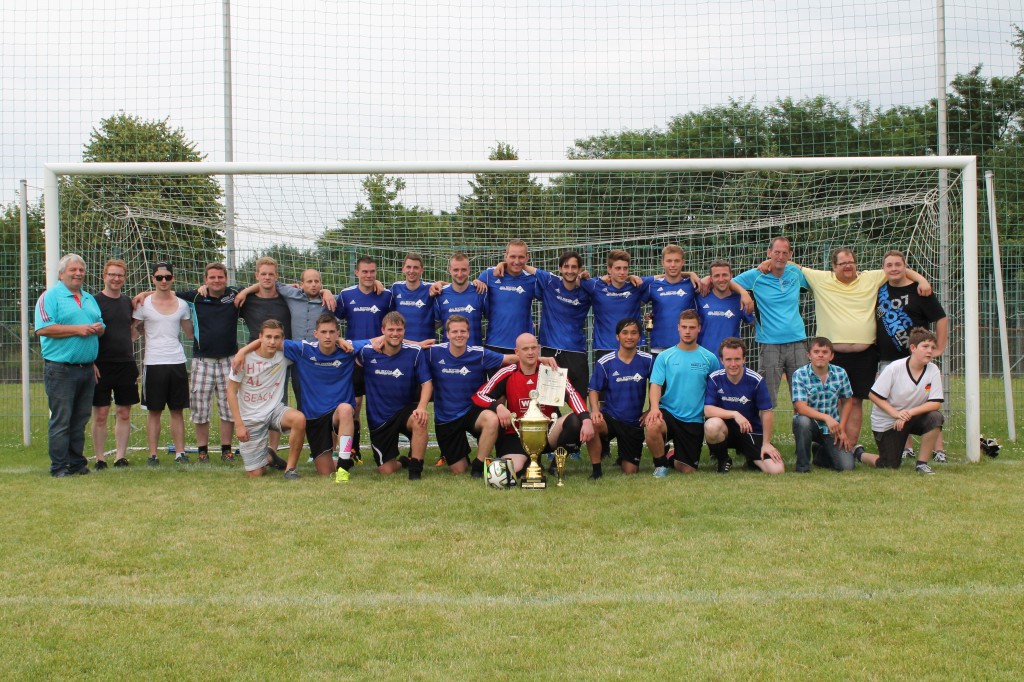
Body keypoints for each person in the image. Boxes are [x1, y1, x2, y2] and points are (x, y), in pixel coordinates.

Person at [797, 247, 931, 454]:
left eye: (851, 261)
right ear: (834, 267)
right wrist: (767, 264)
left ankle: (848, 446)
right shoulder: (820, 279)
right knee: (833, 399)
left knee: (855, 399)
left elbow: (901, 270)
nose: (848, 266)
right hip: (833, 355)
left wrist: (922, 281)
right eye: (843, 263)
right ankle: (827, 443)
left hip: (864, 354)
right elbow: (793, 266)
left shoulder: (870, 278)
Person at [234, 313, 359, 478]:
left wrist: (341, 341)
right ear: (315, 334)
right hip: (313, 417)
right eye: (323, 332)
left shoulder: (349, 348)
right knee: (324, 472)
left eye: (331, 332)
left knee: (345, 409)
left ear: (338, 333)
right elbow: (270, 340)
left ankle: (343, 465)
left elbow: (379, 341)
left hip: (333, 413)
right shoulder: (301, 350)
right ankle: (270, 456)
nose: (327, 336)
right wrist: (241, 351)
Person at [473, 332, 598, 479]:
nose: (531, 352)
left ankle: (556, 466)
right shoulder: (507, 372)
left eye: (534, 348)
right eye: (526, 349)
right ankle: (527, 462)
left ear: (539, 349)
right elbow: (479, 395)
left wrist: (586, 418)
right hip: (517, 435)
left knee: (576, 421)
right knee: (509, 473)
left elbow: (572, 394)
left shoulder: (551, 371)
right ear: (517, 352)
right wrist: (498, 407)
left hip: (548, 432)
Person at [875, 249, 949, 462]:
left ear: (905, 266)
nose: (894, 269)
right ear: (884, 269)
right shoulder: (879, 289)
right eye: (889, 265)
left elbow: (941, 318)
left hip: (918, 359)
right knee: (895, 402)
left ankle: (938, 449)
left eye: (898, 264)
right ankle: (905, 446)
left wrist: (940, 347)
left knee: (928, 402)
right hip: (888, 358)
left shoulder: (920, 290)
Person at [35, 253, 105, 477]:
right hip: (61, 369)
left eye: (81, 270)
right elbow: (43, 328)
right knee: (62, 420)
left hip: (86, 369)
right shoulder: (50, 297)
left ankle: (77, 463)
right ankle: (59, 467)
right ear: (61, 273)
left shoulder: (88, 298)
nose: (78, 274)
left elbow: (100, 322)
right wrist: (78, 329)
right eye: (73, 270)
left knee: (80, 420)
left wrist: (99, 329)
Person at [492, 250, 592, 396]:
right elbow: (524, 266)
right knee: (548, 401)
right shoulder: (550, 281)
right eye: (566, 266)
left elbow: (609, 281)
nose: (569, 271)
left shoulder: (587, 289)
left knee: (580, 399)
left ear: (579, 269)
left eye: (573, 267)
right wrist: (503, 263)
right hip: (550, 352)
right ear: (560, 268)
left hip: (576, 352)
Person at [427, 315, 515, 477]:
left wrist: (540, 359)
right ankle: (462, 457)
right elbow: (408, 350)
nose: (459, 335)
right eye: (454, 331)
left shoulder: (479, 354)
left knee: (492, 419)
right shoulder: (434, 353)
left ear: (468, 333)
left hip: (473, 410)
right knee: (458, 470)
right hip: (447, 418)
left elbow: (509, 359)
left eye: (463, 331)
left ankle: (478, 465)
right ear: (447, 334)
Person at [175, 263, 242, 463]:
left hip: (229, 361)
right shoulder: (195, 296)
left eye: (220, 277)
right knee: (200, 408)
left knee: (228, 407)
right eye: (212, 277)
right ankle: (202, 451)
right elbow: (166, 293)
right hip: (202, 361)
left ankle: (226, 450)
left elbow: (260, 287)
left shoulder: (234, 294)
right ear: (205, 279)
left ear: (226, 279)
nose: (216, 281)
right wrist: (144, 295)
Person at [732, 236, 810, 405]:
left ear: (790, 254)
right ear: (769, 253)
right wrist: (744, 293)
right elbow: (728, 282)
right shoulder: (756, 276)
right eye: (776, 252)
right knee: (767, 400)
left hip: (798, 342)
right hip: (770, 344)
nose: (780, 257)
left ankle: (804, 431)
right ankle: (764, 433)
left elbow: (816, 279)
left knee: (803, 398)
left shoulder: (796, 274)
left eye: (784, 253)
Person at [644, 310, 721, 477]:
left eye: (692, 327)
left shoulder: (710, 358)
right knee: (652, 425)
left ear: (699, 328)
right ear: (678, 328)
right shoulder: (665, 356)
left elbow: (716, 387)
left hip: (694, 419)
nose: (687, 331)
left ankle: (672, 457)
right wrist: (655, 408)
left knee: (688, 470)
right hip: (669, 412)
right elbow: (656, 384)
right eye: (684, 327)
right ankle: (661, 464)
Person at [356, 311, 432, 480]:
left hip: (405, 410)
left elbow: (427, 383)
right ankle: (403, 462)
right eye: (391, 329)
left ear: (404, 331)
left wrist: (421, 407)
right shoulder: (366, 353)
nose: (395, 333)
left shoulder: (415, 352)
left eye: (399, 330)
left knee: (420, 420)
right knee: (387, 470)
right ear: (382, 330)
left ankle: (415, 470)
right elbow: (348, 349)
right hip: (379, 418)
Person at [226, 320, 306, 478]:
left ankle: (290, 470)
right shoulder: (244, 359)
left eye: (277, 337)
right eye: (268, 336)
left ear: (282, 339)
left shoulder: (284, 355)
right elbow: (230, 391)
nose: (272, 341)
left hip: (275, 410)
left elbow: (313, 346)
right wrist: (239, 425)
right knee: (255, 474)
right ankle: (269, 457)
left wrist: (338, 340)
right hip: (251, 417)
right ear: (260, 337)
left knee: (299, 419)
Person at [132, 262, 193, 466]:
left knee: (177, 410)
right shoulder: (144, 304)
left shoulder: (182, 305)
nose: (164, 280)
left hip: (177, 361)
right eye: (159, 277)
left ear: (173, 278)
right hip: (153, 363)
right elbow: (132, 332)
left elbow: (190, 333)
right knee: (154, 411)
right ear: (153, 279)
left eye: (167, 277)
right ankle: (152, 455)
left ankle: (180, 453)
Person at [790, 337, 880, 472]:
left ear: (831, 356)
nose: (820, 355)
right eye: (816, 352)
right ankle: (803, 467)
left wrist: (842, 429)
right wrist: (827, 418)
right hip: (811, 424)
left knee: (846, 466)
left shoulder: (840, 373)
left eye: (825, 352)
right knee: (801, 421)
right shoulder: (799, 374)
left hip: (832, 428)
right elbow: (800, 407)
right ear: (809, 355)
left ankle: (820, 453)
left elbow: (847, 401)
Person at [336, 255, 394, 463]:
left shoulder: (386, 296)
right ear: (356, 273)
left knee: (381, 405)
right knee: (355, 406)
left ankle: (385, 449)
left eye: (372, 272)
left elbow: (394, 323)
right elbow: (331, 320)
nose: (369, 275)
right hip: (355, 360)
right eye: (365, 272)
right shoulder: (345, 295)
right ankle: (353, 450)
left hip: (380, 359)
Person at [236, 256, 293, 456]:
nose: (267, 278)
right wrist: (246, 290)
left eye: (271, 274)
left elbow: (309, 290)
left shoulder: (286, 297)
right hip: (255, 358)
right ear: (256, 275)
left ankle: (273, 452)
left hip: (281, 358)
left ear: (276, 276)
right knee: (256, 404)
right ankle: (256, 447)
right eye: (263, 274)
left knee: (277, 403)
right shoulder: (246, 300)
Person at [869, 327, 945, 475]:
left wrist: (908, 413)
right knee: (889, 465)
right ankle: (858, 453)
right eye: (925, 346)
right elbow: (873, 395)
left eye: (932, 347)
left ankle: (922, 464)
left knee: (935, 418)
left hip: (909, 417)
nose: (930, 351)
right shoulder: (894, 368)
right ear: (913, 348)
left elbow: (935, 403)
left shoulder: (933, 370)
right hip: (887, 421)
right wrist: (896, 414)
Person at [703, 337, 783, 475]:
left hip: (750, 431)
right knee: (711, 425)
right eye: (728, 359)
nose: (733, 364)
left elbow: (767, 412)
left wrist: (767, 443)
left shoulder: (756, 380)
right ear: (722, 360)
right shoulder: (715, 378)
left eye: (737, 359)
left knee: (777, 470)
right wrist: (735, 414)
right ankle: (723, 460)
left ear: (744, 359)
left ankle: (751, 458)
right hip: (725, 430)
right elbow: (708, 410)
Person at [588, 318, 653, 477]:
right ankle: (596, 470)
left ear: (639, 337)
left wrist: (651, 409)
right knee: (593, 423)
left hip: (633, 422)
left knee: (630, 471)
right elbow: (593, 389)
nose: (629, 337)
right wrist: (595, 410)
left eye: (633, 333)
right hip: (610, 417)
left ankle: (624, 455)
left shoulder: (648, 360)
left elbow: (656, 385)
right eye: (625, 333)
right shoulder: (605, 362)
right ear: (618, 337)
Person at [91, 259, 137, 469]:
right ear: (104, 276)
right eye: (112, 274)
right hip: (101, 365)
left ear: (124, 278)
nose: (116, 278)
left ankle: (120, 457)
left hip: (126, 363)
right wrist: (91, 362)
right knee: (100, 414)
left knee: (124, 412)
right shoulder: (93, 302)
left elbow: (134, 328)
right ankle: (100, 458)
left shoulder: (129, 302)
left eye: (120, 275)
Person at [580, 249, 651, 360]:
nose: (622, 272)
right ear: (609, 269)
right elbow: (570, 279)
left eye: (625, 268)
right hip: (605, 348)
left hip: (633, 346)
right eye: (618, 268)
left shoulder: (636, 285)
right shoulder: (595, 286)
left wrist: (688, 274)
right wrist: (581, 275)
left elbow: (665, 277)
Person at [475, 239, 538, 354]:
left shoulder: (532, 280)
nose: (517, 261)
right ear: (506, 256)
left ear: (527, 258)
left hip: (522, 348)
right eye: (513, 257)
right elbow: (469, 288)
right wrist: (475, 281)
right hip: (494, 344)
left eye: (521, 257)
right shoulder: (489, 275)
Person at [697, 259, 754, 357]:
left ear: (731, 275)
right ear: (710, 278)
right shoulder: (700, 297)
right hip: (705, 361)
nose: (721, 279)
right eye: (716, 276)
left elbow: (757, 323)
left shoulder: (741, 300)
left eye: (724, 275)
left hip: (731, 363)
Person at [434, 252, 487, 346]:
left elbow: (493, 318)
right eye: (456, 270)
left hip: (474, 353)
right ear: (449, 270)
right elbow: (434, 324)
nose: (459, 274)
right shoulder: (440, 294)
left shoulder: (480, 292)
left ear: (469, 270)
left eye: (463, 270)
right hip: (448, 354)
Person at [391, 252, 437, 343]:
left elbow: (453, 287)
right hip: (401, 347)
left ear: (422, 270)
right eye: (408, 267)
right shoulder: (395, 288)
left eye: (416, 267)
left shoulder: (430, 289)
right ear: (403, 268)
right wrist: (377, 282)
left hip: (425, 347)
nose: (411, 271)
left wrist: (441, 283)